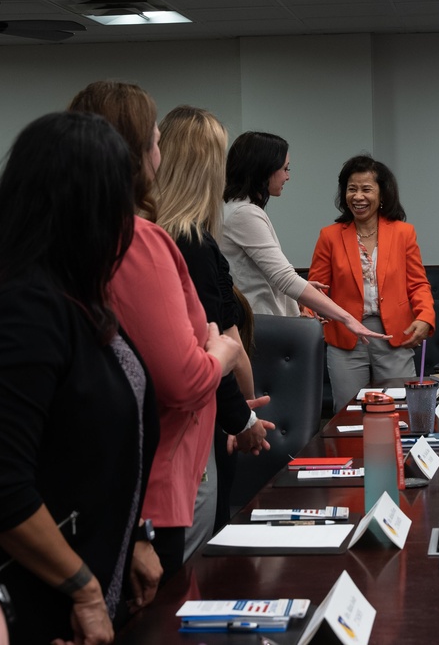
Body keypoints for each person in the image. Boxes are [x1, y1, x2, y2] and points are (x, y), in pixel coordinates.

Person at [0, 111, 158, 644]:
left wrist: (136, 538)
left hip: (93, 576)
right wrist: (82, 588)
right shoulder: (24, 308)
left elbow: (103, 442)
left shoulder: (78, 296)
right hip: (38, 602)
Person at [69, 81, 242, 581]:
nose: (161, 155)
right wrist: (222, 354)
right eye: (155, 142)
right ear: (136, 154)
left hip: (91, 487)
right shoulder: (139, 241)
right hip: (155, 489)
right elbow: (182, 379)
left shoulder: (68, 236)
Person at [155, 105, 277, 547]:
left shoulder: (156, 233)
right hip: (192, 429)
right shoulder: (189, 241)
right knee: (193, 562)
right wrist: (242, 418)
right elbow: (210, 350)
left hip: (195, 419)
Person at [220, 132, 390, 347]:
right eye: (285, 169)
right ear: (264, 169)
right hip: (260, 329)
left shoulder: (232, 208)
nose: (287, 176)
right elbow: (284, 278)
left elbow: (254, 273)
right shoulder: (244, 213)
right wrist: (347, 318)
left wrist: (303, 289)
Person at [308, 154, 436, 412]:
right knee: (348, 411)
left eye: (366, 189)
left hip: (394, 335)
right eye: (351, 189)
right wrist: (308, 315)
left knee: (401, 409)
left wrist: (425, 317)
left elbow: (418, 284)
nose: (358, 197)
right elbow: (315, 288)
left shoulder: (403, 233)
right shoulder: (329, 236)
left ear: (382, 194)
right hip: (345, 337)